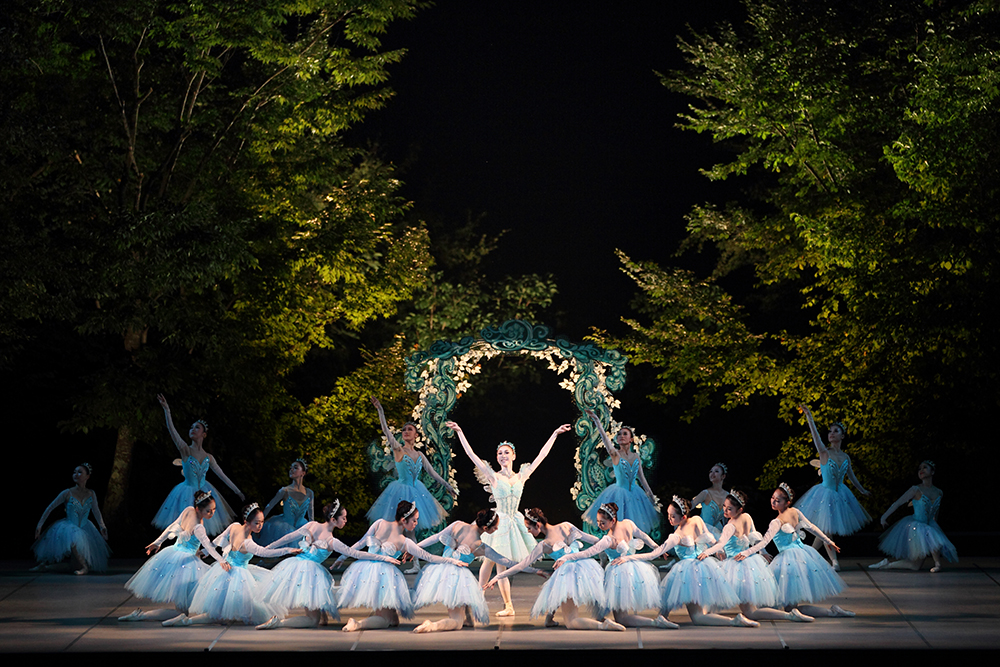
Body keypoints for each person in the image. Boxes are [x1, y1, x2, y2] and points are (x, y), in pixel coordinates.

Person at [448, 419, 572, 617]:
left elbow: (541, 456)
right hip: (497, 523)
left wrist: (555, 434)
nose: (503, 456)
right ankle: (480, 600)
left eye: (506, 452)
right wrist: (460, 432)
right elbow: (471, 455)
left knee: (499, 564)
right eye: (500, 453)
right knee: (489, 562)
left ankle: (506, 605)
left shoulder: (521, 476)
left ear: (514, 455)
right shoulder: (494, 476)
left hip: (514, 522)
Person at [256, 498, 400, 630]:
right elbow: (356, 554)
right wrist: (384, 558)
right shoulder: (332, 541)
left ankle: (319, 616)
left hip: (295, 566)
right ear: (333, 519)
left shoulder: (312, 525)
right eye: (343, 518)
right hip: (308, 573)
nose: (346, 521)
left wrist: (267, 548)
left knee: (319, 617)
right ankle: (279, 623)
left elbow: (288, 537)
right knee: (313, 620)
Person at [614, 496, 755, 627]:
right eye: (668, 515)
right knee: (669, 598)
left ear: (683, 516)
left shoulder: (676, 535)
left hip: (689, 571)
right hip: (702, 567)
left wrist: (627, 557)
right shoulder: (696, 520)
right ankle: (661, 618)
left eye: (673, 516)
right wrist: (718, 551)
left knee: (697, 617)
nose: (669, 519)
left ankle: (734, 621)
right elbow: (709, 538)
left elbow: (653, 555)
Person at [336, 501, 470, 631]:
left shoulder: (379, 523)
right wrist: (452, 561)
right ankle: (357, 624)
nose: (416, 524)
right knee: (385, 620)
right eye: (414, 520)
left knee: (393, 620)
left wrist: (342, 557)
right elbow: (429, 557)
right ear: (404, 520)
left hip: (366, 572)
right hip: (382, 577)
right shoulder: (404, 541)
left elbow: (361, 543)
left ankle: (380, 618)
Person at [162, 503, 302, 626]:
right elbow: (265, 552)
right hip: (237, 575)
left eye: (262, 522)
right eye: (257, 523)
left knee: (222, 612)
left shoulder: (234, 526)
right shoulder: (248, 543)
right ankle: (187, 621)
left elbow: (220, 538)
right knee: (227, 613)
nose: (260, 526)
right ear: (247, 521)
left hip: (224, 572)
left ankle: (188, 620)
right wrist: (288, 550)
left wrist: (206, 550)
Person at [486, 508, 623, 631]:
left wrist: (498, 576)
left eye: (529, 528)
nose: (528, 532)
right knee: (556, 585)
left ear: (538, 525)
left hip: (569, 573)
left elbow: (521, 565)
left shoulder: (545, 544)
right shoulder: (566, 526)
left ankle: (603, 626)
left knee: (571, 621)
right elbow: (593, 540)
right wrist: (613, 544)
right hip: (587, 568)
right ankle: (549, 619)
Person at [366, 397, 457, 573]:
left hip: (416, 492)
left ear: (416, 435)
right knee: (392, 529)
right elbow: (386, 431)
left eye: (410, 429)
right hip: (399, 492)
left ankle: (415, 565)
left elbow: (432, 472)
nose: (406, 432)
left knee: (411, 532)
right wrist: (380, 410)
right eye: (404, 430)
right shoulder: (398, 449)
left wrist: (447, 485)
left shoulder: (420, 455)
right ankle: (383, 560)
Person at [736, 484, 854, 618]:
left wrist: (746, 552)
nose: (773, 502)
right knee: (789, 608)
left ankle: (831, 612)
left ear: (787, 502)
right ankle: (831, 612)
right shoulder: (795, 512)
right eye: (772, 498)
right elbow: (811, 527)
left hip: (789, 560)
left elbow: (765, 541)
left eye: (778, 500)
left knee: (788, 607)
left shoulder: (777, 521)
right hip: (803, 555)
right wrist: (828, 541)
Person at [554, 502, 677, 629]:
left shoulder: (609, 539)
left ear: (612, 520)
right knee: (621, 617)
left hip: (619, 573)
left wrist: (565, 557)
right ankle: (655, 622)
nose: (599, 525)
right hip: (634, 569)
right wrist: (657, 548)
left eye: (603, 523)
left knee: (621, 618)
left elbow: (587, 553)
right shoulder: (628, 524)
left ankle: (653, 622)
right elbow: (644, 536)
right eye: (598, 522)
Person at [696, 490, 813, 622]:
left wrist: (706, 552)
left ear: (739, 509)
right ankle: (706, 614)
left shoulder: (729, 526)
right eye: (724, 506)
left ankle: (789, 615)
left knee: (749, 612)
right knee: (734, 604)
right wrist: (763, 552)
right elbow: (755, 536)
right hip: (749, 563)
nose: (725, 510)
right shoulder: (747, 517)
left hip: (735, 565)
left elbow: (721, 544)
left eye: (729, 508)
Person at [411, 509, 530, 633]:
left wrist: (414, 548)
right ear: (485, 528)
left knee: (468, 614)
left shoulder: (457, 525)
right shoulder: (479, 546)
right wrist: (532, 569)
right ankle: (431, 626)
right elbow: (506, 561)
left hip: (438, 571)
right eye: (495, 527)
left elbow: (435, 537)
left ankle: (468, 619)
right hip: (455, 578)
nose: (497, 529)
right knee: (457, 622)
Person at [118, 490, 228, 621]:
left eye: (214, 510)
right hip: (186, 563)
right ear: (198, 509)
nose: (212, 513)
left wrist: (158, 542)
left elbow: (173, 526)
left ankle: (141, 615)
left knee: (184, 609)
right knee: (183, 610)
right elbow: (208, 546)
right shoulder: (199, 528)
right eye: (208, 511)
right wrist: (221, 560)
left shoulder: (188, 510)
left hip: (174, 554)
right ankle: (141, 615)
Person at [152, 394, 244, 535]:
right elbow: (172, 431)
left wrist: (237, 491)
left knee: (200, 529)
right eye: (191, 427)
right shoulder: (186, 450)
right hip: (187, 494)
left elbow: (222, 476)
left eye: (197, 427)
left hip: (205, 494)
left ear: (204, 434)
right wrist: (167, 410)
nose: (192, 429)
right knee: (187, 529)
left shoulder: (209, 457)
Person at [794, 405, 871, 570]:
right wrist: (809, 416)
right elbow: (815, 436)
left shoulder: (845, 457)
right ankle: (834, 561)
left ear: (842, 436)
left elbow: (851, 477)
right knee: (826, 531)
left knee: (824, 530)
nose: (831, 433)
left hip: (840, 494)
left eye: (836, 431)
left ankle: (808, 556)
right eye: (830, 431)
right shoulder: (824, 452)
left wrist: (862, 490)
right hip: (824, 494)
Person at [869, 460, 957, 573]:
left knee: (917, 563)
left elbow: (936, 513)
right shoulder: (916, 489)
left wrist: (936, 529)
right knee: (916, 564)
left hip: (930, 524)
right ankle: (887, 564)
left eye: (924, 467)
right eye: (919, 468)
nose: (921, 470)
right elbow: (898, 503)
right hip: (917, 527)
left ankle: (937, 563)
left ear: (932, 472)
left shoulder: (939, 492)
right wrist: (884, 517)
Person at [581, 411, 659, 535]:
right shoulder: (615, 454)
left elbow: (642, 478)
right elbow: (605, 439)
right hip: (619, 493)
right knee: (617, 525)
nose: (621, 436)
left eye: (625, 434)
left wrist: (650, 494)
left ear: (631, 439)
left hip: (635, 494)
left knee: (632, 527)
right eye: (619, 434)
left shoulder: (636, 457)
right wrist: (597, 421)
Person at [33, 463, 110, 575]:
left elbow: (96, 511)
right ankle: (84, 567)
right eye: (74, 472)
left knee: (73, 566)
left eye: (80, 472)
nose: (76, 474)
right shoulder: (67, 493)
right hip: (69, 527)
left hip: (85, 527)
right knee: (74, 537)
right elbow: (50, 508)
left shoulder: (91, 493)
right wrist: (39, 525)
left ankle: (45, 567)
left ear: (87, 476)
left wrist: (102, 526)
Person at [258, 458, 314, 546]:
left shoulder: (309, 493)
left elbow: (311, 516)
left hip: (301, 527)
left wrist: (313, 531)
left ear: (303, 473)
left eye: (295, 468)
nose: (291, 470)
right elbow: (269, 506)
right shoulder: (285, 491)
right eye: (290, 468)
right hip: (284, 529)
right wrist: (260, 523)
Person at [691, 463, 730, 538]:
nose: (712, 473)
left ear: (723, 476)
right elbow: (689, 506)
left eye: (716, 471)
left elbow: (726, 518)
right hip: (703, 531)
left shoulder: (727, 495)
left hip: (718, 531)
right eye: (711, 471)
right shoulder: (705, 493)